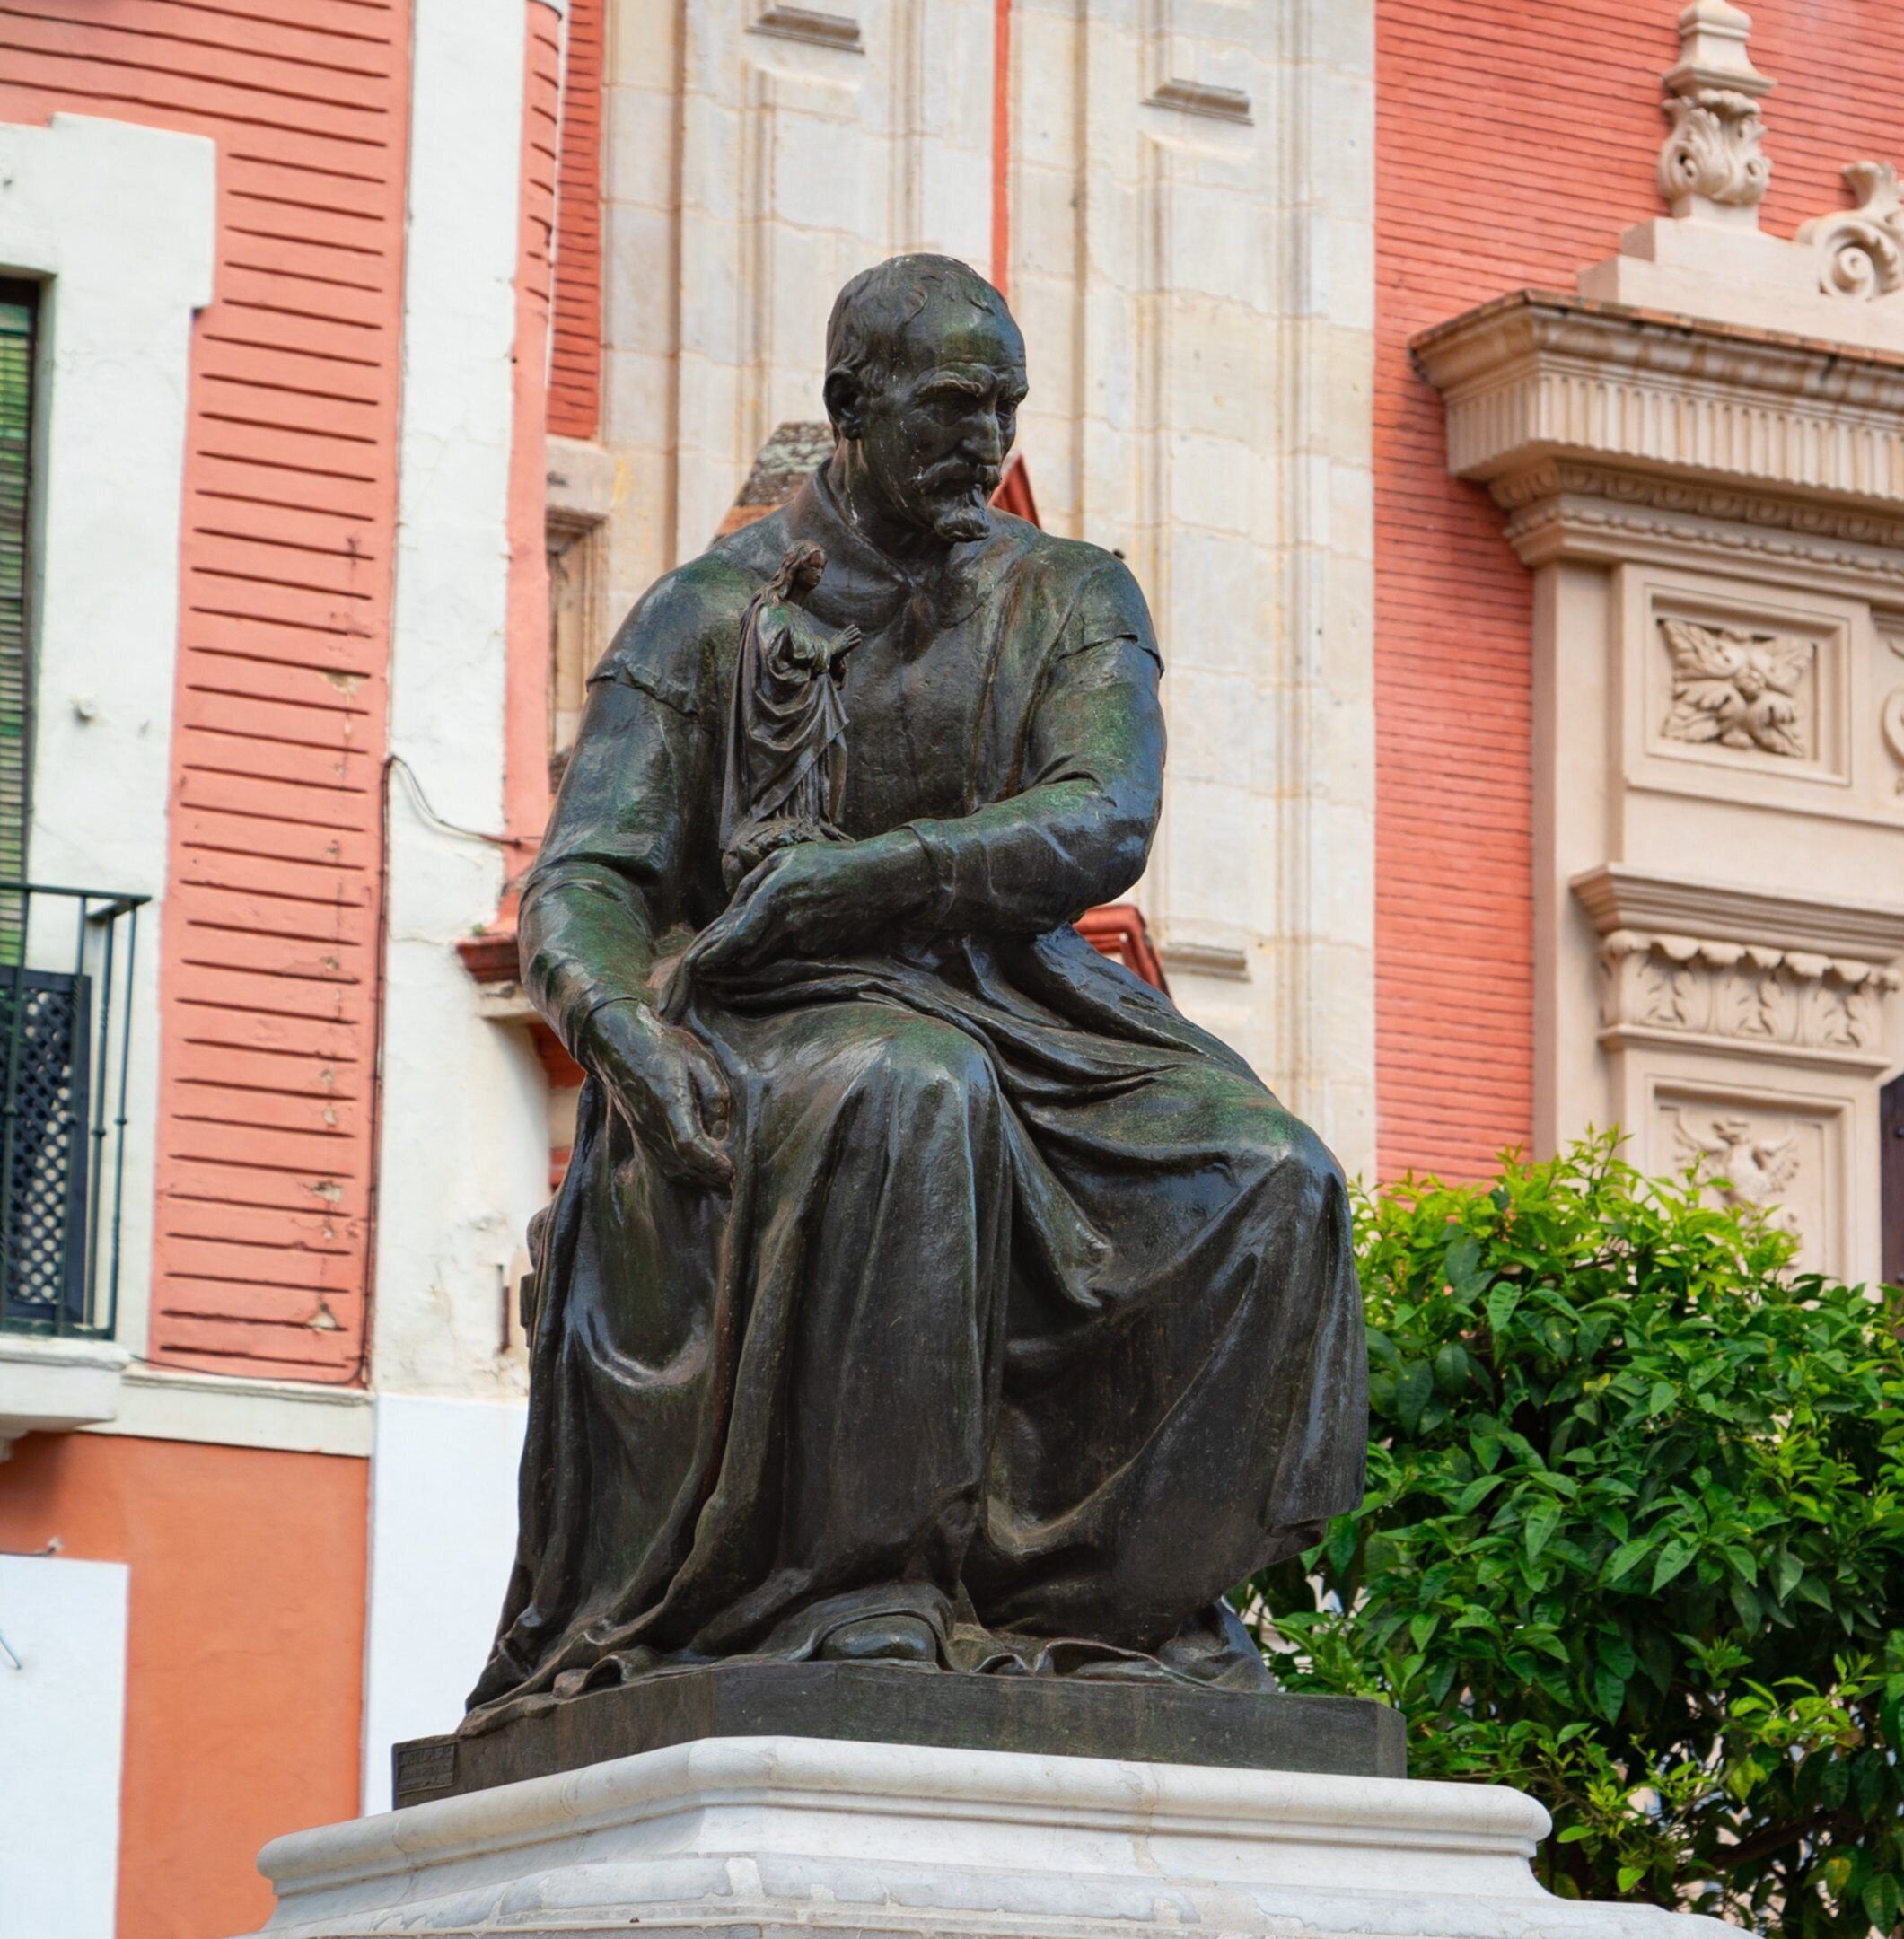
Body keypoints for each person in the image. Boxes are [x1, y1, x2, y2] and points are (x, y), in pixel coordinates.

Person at [465, 253, 1362, 1728]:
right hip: (772, 1008)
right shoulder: (705, 614)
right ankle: (862, 1586)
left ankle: (1133, 1599)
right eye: (951, 407)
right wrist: (620, 1027)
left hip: (1028, 996)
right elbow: (592, 878)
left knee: (1270, 1176)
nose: (984, 441)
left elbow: (1101, 818)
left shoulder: (1072, 595)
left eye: (1003, 408)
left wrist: (878, 874)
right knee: (906, 1091)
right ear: (849, 406)